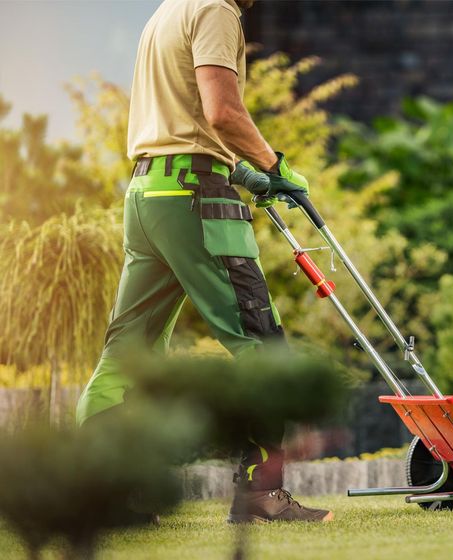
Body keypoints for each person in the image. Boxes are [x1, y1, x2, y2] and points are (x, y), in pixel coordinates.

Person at [75, 0, 333, 523]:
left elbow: (187, 119)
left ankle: (96, 489)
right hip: (196, 199)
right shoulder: (217, 8)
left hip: (147, 194)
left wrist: (240, 169)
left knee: (128, 353)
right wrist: (273, 164)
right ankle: (261, 493)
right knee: (262, 343)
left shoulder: (167, 11)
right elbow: (221, 111)